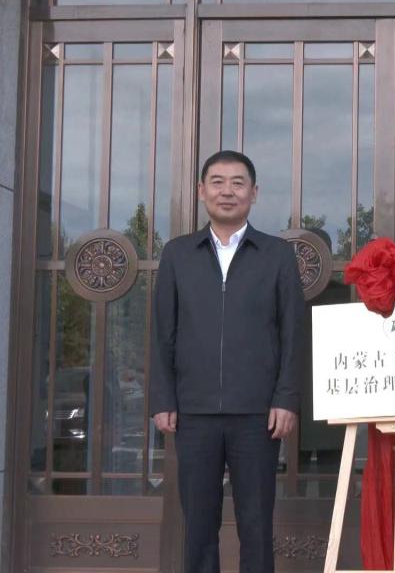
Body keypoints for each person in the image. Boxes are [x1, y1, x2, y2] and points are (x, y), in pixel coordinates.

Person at [149, 150, 305, 573]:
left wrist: (286, 398)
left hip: (257, 413)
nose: (227, 191)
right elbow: (163, 332)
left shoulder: (276, 254)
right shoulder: (178, 254)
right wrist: (163, 398)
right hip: (194, 411)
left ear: (254, 193)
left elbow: (293, 333)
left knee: (256, 523)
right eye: (217, 182)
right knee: (198, 524)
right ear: (202, 191)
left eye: (238, 183)